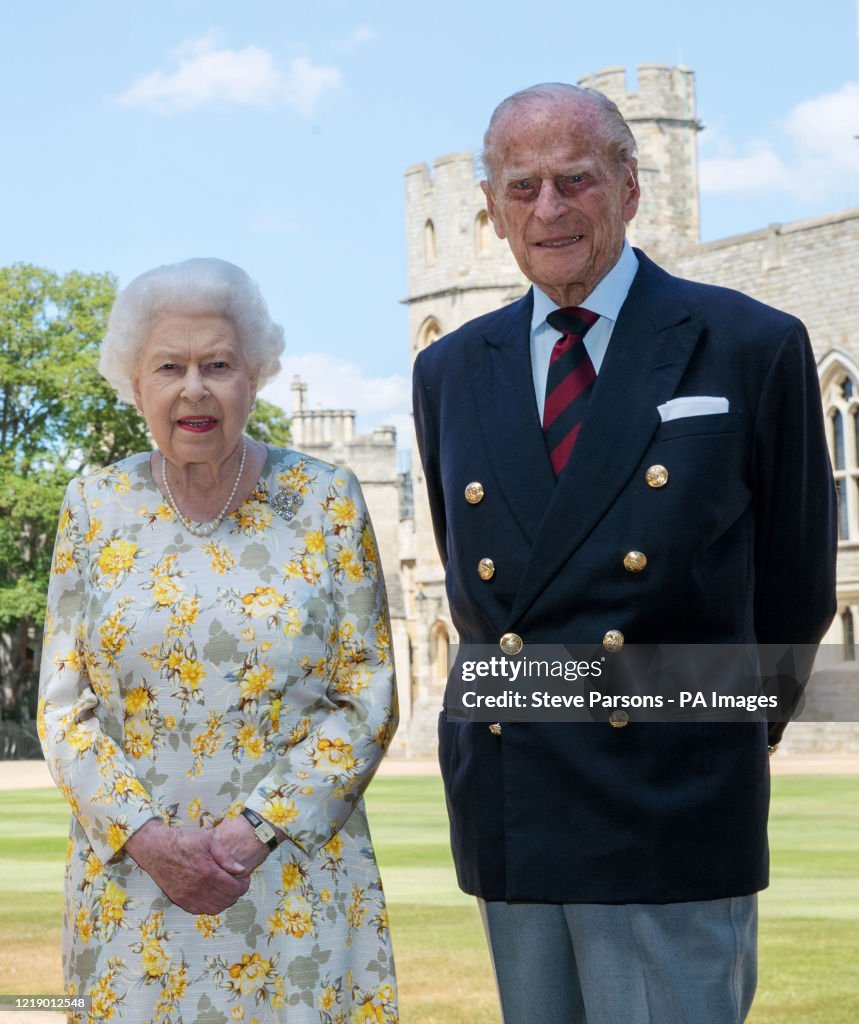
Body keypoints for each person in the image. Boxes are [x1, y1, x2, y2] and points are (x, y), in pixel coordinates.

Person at [412, 84, 836, 1024]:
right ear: (490, 208)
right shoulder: (448, 368)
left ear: (630, 188)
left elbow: (798, 587)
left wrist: (699, 729)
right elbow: (472, 582)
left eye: (574, 180)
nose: (548, 209)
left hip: (672, 798)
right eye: (521, 187)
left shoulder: (747, 344)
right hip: (515, 797)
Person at [38, 258, 399, 1023]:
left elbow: (366, 693)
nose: (194, 388)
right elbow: (64, 706)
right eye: (169, 366)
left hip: (293, 879)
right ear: (134, 384)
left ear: (256, 378)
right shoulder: (93, 505)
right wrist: (149, 840)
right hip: (135, 886)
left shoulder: (326, 499)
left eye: (219, 365)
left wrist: (255, 830)